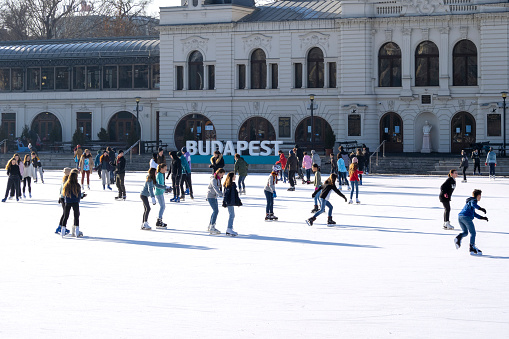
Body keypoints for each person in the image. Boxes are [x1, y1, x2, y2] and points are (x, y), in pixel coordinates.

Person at [454, 189, 488, 255]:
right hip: (466, 217)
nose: (480, 197)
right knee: (473, 233)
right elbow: (473, 204)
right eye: (480, 196)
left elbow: (474, 214)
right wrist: (481, 208)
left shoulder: (469, 202)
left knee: (465, 232)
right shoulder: (473, 201)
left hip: (460, 217)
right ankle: (472, 247)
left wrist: (482, 217)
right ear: (478, 196)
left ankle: (458, 238)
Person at [61, 168, 86, 237]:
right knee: (76, 216)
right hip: (75, 202)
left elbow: (64, 193)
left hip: (68, 202)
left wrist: (65, 200)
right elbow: (78, 195)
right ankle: (77, 230)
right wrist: (78, 200)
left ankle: (63, 230)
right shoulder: (77, 185)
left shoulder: (66, 185)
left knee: (66, 216)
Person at [222, 172, 242, 236]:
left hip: (230, 201)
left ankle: (230, 228)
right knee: (232, 215)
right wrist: (224, 201)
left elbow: (235, 194)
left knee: (232, 215)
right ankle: (229, 229)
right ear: (231, 177)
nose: (235, 177)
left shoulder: (232, 184)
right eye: (234, 176)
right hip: (229, 201)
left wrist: (238, 202)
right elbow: (226, 194)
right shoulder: (229, 184)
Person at [207, 168, 225, 235]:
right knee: (216, 211)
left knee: (215, 211)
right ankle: (212, 226)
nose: (222, 176)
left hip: (214, 197)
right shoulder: (213, 179)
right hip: (210, 196)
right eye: (222, 174)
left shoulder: (218, 179)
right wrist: (221, 194)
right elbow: (215, 188)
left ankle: (210, 225)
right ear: (218, 173)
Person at [55, 168, 72, 235]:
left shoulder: (65, 179)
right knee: (65, 213)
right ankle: (60, 227)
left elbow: (60, 189)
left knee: (65, 213)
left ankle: (61, 226)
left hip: (62, 197)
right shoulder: (66, 180)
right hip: (64, 198)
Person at [155, 164, 168, 228]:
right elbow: (159, 185)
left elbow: (162, 184)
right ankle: (159, 221)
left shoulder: (161, 175)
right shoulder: (159, 175)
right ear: (161, 168)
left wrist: (166, 189)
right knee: (162, 206)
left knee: (163, 206)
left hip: (160, 192)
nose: (166, 170)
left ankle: (159, 220)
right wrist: (165, 188)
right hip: (158, 193)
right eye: (165, 168)